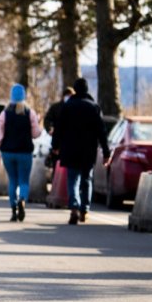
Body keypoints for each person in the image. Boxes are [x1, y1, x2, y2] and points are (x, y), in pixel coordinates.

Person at [56, 77, 110, 224]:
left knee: (72, 180)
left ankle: (74, 207)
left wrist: (55, 146)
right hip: (88, 151)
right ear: (87, 90)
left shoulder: (67, 106)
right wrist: (106, 153)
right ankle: (84, 210)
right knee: (86, 180)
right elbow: (102, 132)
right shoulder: (94, 107)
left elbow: (59, 128)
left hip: (70, 149)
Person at [0, 83, 43, 222]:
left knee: (12, 181)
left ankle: (13, 209)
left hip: (8, 152)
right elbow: (36, 133)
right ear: (24, 97)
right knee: (24, 181)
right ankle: (22, 200)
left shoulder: (5, 113)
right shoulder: (30, 113)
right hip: (25, 152)